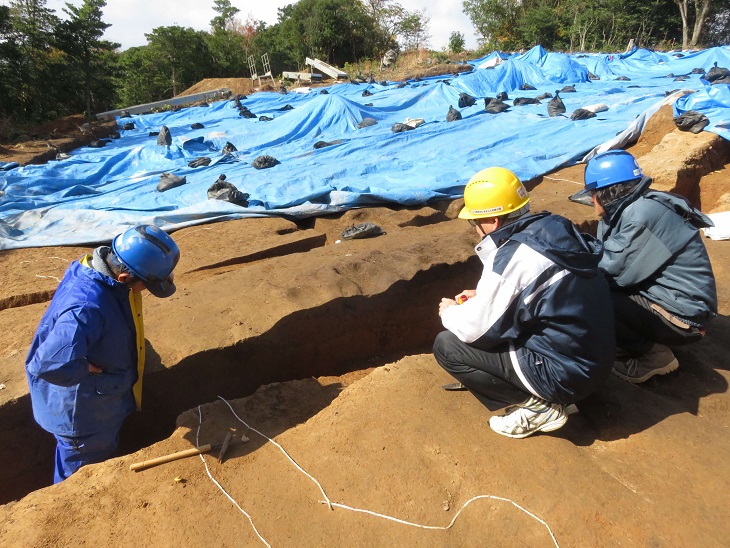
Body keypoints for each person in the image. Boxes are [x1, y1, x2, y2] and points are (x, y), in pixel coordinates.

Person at [433, 167, 615, 439]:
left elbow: (476, 329)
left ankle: (538, 408)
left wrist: (450, 312)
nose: (475, 230)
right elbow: (536, 294)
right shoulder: (552, 229)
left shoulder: (517, 256)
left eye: (475, 223)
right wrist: (485, 298)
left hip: (566, 374)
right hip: (593, 360)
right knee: (498, 323)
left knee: (447, 345)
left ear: (493, 221)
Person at [25, 225, 180, 482]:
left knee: (99, 459)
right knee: (79, 481)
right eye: (148, 284)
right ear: (124, 278)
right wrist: (85, 368)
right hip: (82, 417)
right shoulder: (87, 306)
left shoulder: (96, 270)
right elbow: (48, 364)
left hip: (100, 408)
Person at [582, 150, 717, 383]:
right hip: (673, 302)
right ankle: (639, 341)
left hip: (685, 318)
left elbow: (611, 271)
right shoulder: (628, 210)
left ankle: (652, 355)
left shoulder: (642, 214)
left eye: (593, 193)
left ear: (609, 192)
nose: (591, 199)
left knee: (591, 292)